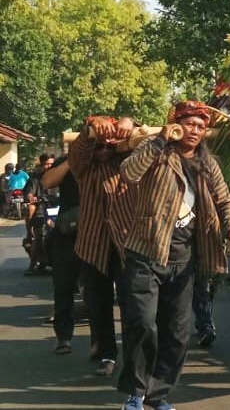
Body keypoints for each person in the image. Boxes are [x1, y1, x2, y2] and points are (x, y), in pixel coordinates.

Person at [117, 100, 230, 410]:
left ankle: (157, 395)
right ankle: (136, 392)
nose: (194, 130)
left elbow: (223, 201)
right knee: (142, 324)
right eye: (189, 123)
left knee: (177, 332)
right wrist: (161, 138)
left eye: (201, 126)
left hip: (185, 258)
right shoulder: (157, 151)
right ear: (176, 124)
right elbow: (128, 173)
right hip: (146, 252)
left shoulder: (208, 163)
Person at [68, 115, 137, 376]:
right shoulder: (83, 168)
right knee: (98, 305)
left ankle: (135, 356)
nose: (105, 149)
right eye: (100, 145)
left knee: (133, 304)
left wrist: (130, 123)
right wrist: (91, 130)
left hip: (126, 243)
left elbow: (146, 144)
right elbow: (79, 151)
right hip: (92, 244)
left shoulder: (129, 165)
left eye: (110, 145)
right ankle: (107, 354)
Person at [41, 155, 81, 355]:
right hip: (67, 231)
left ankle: (102, 346)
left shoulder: (109, 155)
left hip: (100, 232)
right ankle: (63, 337)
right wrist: (73, 160)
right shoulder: (68, 160)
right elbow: (48, 182)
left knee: (100, 291)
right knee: (63, 288)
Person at [24, 154, 55, 275]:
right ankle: (32, 265)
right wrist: (31, 197)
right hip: (42, 210)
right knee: (39, 234)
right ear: (41, 164)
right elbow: (29, 193)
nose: (49, 166)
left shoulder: (62, 177)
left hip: (60, 209)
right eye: (47, 164)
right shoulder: (35, 179)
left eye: (52, 164)